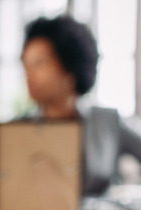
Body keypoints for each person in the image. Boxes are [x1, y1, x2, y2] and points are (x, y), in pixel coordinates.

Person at [20, 15, 141, 196]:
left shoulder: (108, 122)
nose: (29, 76)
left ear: (69, 67)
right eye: (26, 65)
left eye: (39, 64)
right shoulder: (18, 129)